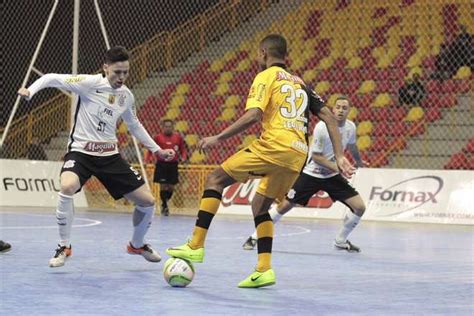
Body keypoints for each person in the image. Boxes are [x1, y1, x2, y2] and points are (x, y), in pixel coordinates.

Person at [166, 34, 354, 288]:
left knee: (215, 179)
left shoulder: (266, 76)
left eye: (258, 54)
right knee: (260, 206)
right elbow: (330, 118)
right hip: (298, 154)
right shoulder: (301, 84)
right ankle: (264, 270)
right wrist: (340, 155)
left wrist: (218, 137)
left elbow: (254, 114)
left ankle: (196, 245)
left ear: (264, 52)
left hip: (275, 145)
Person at [17, 46, 175, 268]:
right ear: (105, 68)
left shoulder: (126, 96)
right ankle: (64, 246)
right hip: (81, 152)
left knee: (148, 201)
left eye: (125, 72)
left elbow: (135, 126)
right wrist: (30, 91)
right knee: (67, 186)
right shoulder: (90, 84)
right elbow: (52, 77)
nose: (121, 77)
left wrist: (157, 150)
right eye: (117, 72)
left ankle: (137, 245)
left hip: (109, 156)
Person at [243, 96, 368, 252]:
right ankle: (254, 237)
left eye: (344, 108)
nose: (341, 110)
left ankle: (340, 241)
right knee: (284, 207)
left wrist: (359, 160)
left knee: (360, 207)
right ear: (333, 109)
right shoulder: (322, 127)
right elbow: (316, 156)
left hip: (331, 177)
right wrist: (338, 167)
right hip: (312, 174)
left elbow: (352, 145)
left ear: (349, 111)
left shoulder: (350, 127)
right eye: (338, 107)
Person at [147, 119, 187, 216]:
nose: (168, 128)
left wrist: (183, 157)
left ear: (173, 127)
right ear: (163, 127)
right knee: (163, 185)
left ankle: (165, 202)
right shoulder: (158, 137)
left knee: (171, 187)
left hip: (173, 164)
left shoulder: (178, 138)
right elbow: (151, 149)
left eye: (170, 126)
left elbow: (183, 149)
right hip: (161, 164)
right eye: (166, 126)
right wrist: (148, 159)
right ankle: (164, 205)